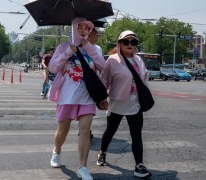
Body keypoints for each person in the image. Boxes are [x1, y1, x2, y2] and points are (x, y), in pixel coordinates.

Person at [48, 17, 106, 180]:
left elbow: (103, 66)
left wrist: (88, 48)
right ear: (73, 28)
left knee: (85, 130)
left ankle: (83, 167)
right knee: (63, 131)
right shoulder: (63, 47)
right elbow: (52, 68)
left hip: (87, 96)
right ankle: (57, 151)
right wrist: (68, 52)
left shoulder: (94, 48)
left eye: (86, 28)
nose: (83, 30)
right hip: (67, 97)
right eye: (79, 27)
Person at [97, 30, 152, 178]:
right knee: (110, 131)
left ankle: (139, 164)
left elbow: (145, 78)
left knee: (136, 135)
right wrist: (102, 99)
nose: (130, 44)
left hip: (135, 103)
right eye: (126, 42)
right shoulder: (112, 60)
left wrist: (144, 93)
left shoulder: (139, 60)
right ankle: (102, 152)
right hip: (117, 103)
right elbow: (104, 80)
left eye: (133, 42)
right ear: (119, 44)